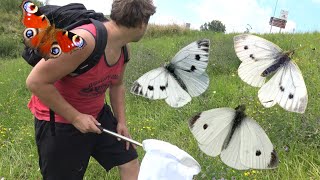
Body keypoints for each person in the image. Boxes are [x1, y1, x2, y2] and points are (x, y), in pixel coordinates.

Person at [25, 0, 156, 179]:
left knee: (129, 161)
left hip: (97, 114)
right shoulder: (84, 42)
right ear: (142, 23)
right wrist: (76, 117)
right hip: (60, 121)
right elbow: (36, 82)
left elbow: (117, 85)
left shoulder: (123, 47)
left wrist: (121, 122)